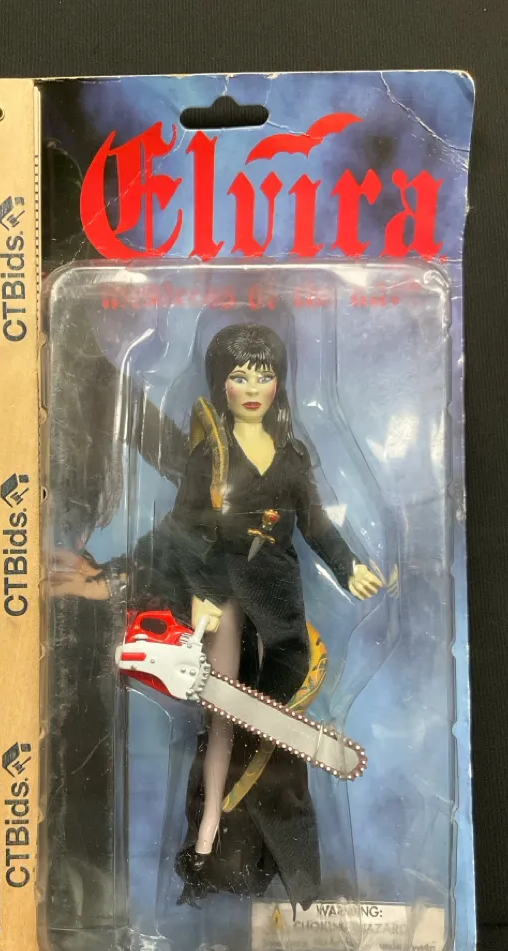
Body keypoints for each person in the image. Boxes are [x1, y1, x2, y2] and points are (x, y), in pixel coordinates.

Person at [168, 323, 382, 906]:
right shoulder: (210, 456)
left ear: (279, 383)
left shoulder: (291, 457)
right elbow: (184, 528)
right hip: (225, 596)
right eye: (239, 376)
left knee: (278, 728)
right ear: (221, 384)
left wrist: (348, 567)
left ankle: (279, 858)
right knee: (222, 717)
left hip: (281, 599)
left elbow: (316, 523)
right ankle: (208, 836)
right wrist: (199, 592)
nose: (252, 387)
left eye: (263, 375)